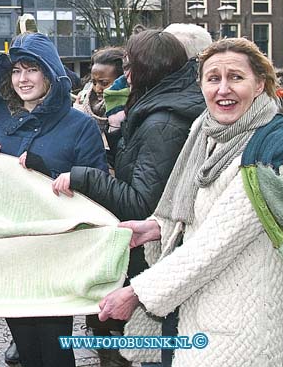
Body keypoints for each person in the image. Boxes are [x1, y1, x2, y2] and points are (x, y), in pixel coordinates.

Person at [97, 37, 283, 367]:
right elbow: (188, 202)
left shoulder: (274, 150)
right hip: (183, 306)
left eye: (236, 77)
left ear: (260, 83)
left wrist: (137, 294)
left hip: (234, 320)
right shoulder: (204, 129)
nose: (223, 89)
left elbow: (215, 243)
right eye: (213, 78)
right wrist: (155, 226)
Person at [51, 30, 205, 367]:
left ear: (143, 71)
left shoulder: (162, 121)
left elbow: (139, 202)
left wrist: (83, 177)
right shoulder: (163, 107)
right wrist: (120, 136)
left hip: (158, 257)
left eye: (129, 67)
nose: (125, 76)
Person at [0, 32, 107, 367]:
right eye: (17, 71)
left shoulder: (80, 126)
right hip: (10, 252)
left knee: (54, 348)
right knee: (24, 343)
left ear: (49, 73)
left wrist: (46, 172)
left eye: (32, 70)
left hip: (56, 255)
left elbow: (98, 187)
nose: (23, 79)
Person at [73, 47, 125, 136]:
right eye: (94, 82)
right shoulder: (82, 105)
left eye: (104, 83)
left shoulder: (128, 112)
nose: (97, 89)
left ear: (122, 81)